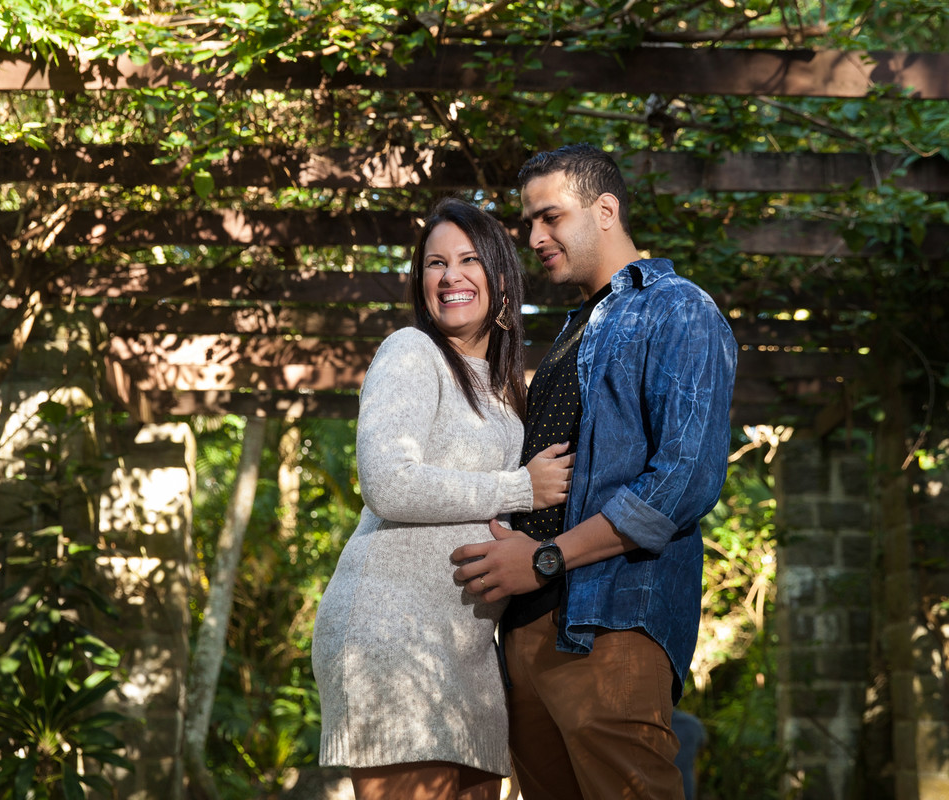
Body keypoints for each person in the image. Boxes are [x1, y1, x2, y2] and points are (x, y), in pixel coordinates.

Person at [451, 144, 738, 799]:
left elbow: (681, 482)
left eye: (550, 217)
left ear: (606, 210)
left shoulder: (676, 308)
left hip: (610, 629)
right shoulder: (576, 328)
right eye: (529, 222)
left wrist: (547, 559)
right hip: (525, 633)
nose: (534, 236)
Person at [311, 197, 575, 800]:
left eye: (468, 260)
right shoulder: (412, 351)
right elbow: (388, 481)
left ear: (502, 279)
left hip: (470, 650)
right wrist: (519, 486)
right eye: (435, 263)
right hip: (395, 634)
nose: (450, 275)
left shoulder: (510, 392)